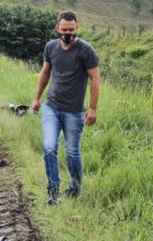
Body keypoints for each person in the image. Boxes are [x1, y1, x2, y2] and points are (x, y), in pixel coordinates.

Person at [31, 11, 100, 204]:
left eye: (71, 30)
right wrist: (36, 98)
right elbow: (45, 73)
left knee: (72, 152)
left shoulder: (85, 50)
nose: (67, 33)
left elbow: (95, 79)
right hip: (51, 107)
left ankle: (75, 189)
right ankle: (53, 190)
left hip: (74, 111)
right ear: (57, 29)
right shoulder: (51, 47)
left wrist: (92, 108)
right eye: (64, 30)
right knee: (49, 147)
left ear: (77, 28)